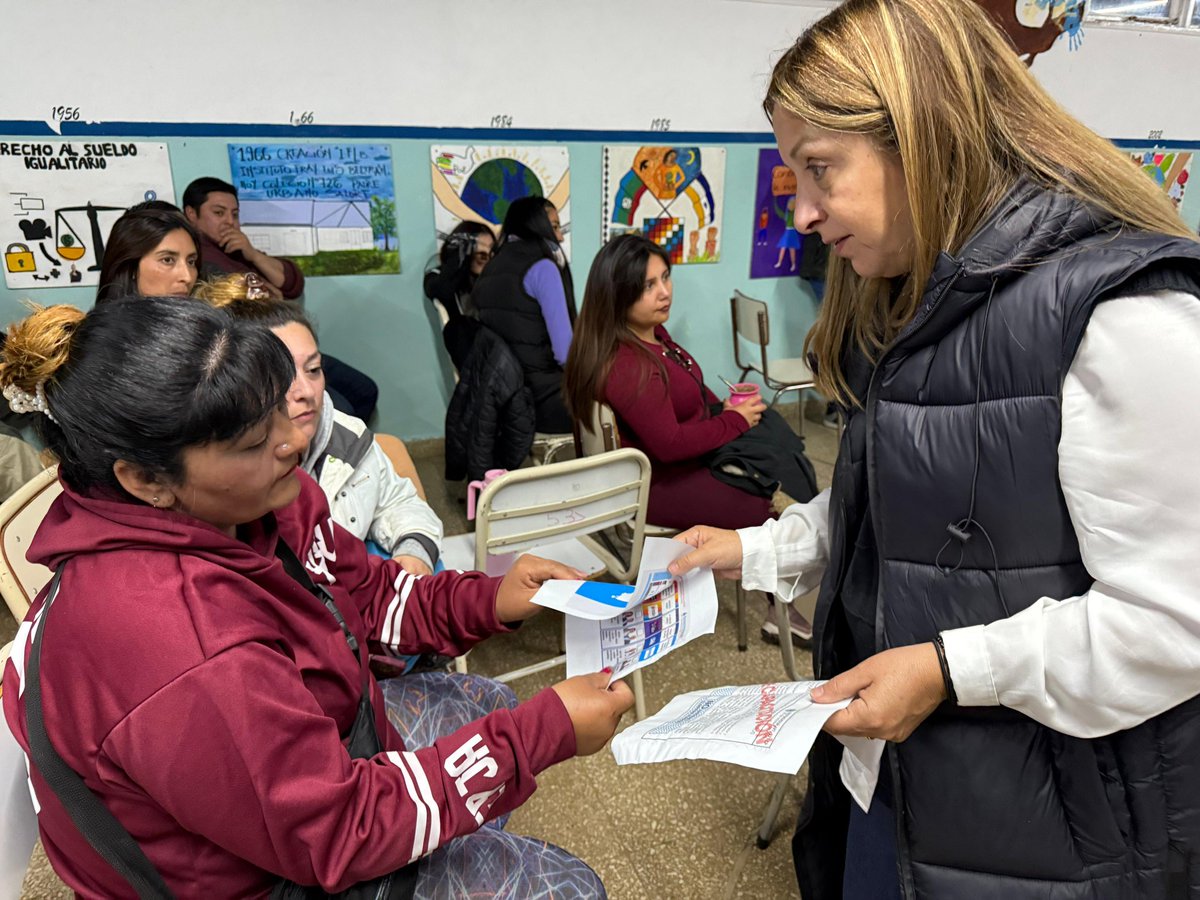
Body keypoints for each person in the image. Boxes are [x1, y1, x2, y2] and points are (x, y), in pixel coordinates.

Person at [667, 0, 1200, 897]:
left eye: (818, 171)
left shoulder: (1123, 319)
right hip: (900, 777)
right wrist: (755, 548)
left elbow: (1176, 619)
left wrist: (952, 668)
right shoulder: (916, 304)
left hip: (1046, 835)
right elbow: (902, 513)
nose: (799, 214)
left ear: (920, 132)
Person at [0, 296, 632, 898]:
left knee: (485, 699)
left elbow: (363, 593)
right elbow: (336, 832)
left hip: (304, 777)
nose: (292, 441)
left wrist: (491, 600)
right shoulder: (180, 646)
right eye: (253, 443)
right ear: (145, 480)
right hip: (262, 878)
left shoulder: (266, 500)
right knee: (569, 885)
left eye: (281, 407)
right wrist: (537, 736)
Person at [564, 234, 812, 645]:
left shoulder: (650, 337)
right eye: (649, 286)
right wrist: (733, 421)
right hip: (657, 482)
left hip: (674, 464)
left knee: (775, 454)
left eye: (666, 278)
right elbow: (670, 445)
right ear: (618, 294)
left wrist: (729, 412)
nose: (664, 292)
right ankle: (780, 613)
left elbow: (692, 392)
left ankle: (779, 584)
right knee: (762, 504)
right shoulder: (628, 363)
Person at [194, 273, 443, 578]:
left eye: (313, 369)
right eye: (280, 376)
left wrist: (414, 550)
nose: (307, 392)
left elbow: (397, 501)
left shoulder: (344, 433)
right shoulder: (222, 481)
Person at [183, 176, 378, 421]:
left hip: (291, 349)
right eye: (219, 213)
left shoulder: (235, 248)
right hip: (260, 359)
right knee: (343, 409)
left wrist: (253, 254)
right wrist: (271, 294)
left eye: (234, 214)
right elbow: (252, 301)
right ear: (192, 214)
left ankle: (342, 452)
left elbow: (292, 282)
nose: (229, 222)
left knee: (364, 389)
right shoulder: (197, 257)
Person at [472, 196, 576, 433]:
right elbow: (565, 353)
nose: (560, 237)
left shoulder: (492, 267)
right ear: (536, 225)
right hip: (545, 400)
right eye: (555, 227)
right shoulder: (543, 268)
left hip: (504, 399)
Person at [423, 220, 495, 371]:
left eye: (491, 250)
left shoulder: (496, 279)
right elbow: (442, 289)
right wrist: (460, 257)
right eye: (480, 252)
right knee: (459, 327)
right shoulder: (438, 276)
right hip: (476, 362)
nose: (486, 256)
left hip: (502, 355)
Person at [95, 200, 201, 301]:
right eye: (167, 260)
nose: (187, 277)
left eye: (191, 262)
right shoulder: (106, 320)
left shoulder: (207, 317)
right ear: (131, 266)